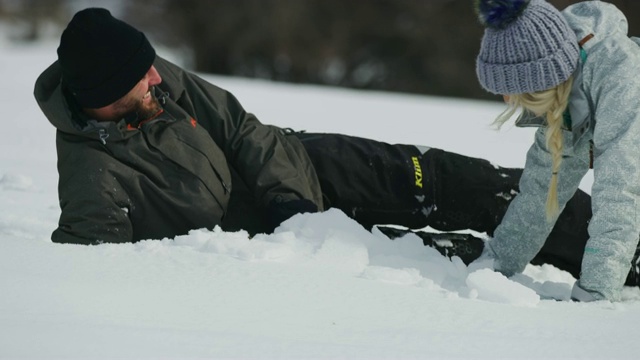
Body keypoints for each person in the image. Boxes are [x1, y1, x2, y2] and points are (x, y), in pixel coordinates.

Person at [35, 8, 608, 288]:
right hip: (278, 248)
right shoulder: (93, 182)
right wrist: (293, 237)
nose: (157, 79)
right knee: (436, 262)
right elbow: (96, 281)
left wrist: (293, 205)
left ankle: (617, 241)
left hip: (301, 166)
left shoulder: (150, 71)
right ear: (106, 95)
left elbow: (240, 128)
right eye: (141, 80)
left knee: (457, 181)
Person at [474, 0, 640, 301]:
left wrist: (597, 292)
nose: (506, 99)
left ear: (542, 77)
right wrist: (496, 263)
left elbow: (621, 189)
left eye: (513, 88)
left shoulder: (622, 78)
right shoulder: (569, 91)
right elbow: (541, 190)